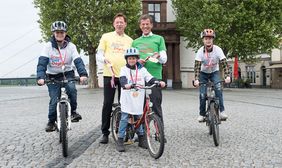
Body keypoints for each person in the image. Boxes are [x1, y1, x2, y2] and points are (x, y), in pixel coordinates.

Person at [37, 21, 88, 132]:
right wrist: (40, 77)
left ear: (65, 33)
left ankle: (73, 112)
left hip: (68, 73)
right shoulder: (48, 46)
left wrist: (83, 74)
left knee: (72, 90)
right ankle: (51, 122)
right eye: (57, 32)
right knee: (54, 100)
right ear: (53, 33)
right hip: (53, 76)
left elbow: (78, 61)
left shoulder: (71, 46)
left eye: (62, 32)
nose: (59, 34)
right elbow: (42, 63)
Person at [116, 48, 166, 152]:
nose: (131, 60)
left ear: (137, 59)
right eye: (129, 59)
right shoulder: (124, 69)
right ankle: (120, 139)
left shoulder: (142, 70)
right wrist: (126, 84)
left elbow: (149, 78)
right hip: (127, 99)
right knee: (125, 118)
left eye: (133, 58)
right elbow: (122, 80)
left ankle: (142, 138)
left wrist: (158, 82)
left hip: (138, 98)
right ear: (126, 60)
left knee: (140, 117)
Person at [96, 13, 133, 144]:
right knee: (107, 103)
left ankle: (122, 130)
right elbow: (99, 54)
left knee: (125, 104)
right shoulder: (106, 36)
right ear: (113, 24)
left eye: (121, 22)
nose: (119, 24)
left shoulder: (130, 40)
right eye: (117, 22)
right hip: (109, 75)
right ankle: (105, 133)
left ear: (125, 24)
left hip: (125, 75)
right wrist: (104, 59)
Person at [131, 14, 167, 127]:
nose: (145, 26)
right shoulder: (135, 42)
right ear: (140, 26)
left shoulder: (159, 39)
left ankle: (159, 133)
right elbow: (131, 61)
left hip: (155, 76)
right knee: (139, 107)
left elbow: (164, 59)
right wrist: (138, 62)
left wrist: (159, 56)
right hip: (139, 77)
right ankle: (141, 134)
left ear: (151, 25)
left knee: (156, 105)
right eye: (143, 24)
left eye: (147, 24)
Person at [194, 29, 231, 122]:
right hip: (203, 73)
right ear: (203, 40)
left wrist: (227, 76)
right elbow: (197, 67)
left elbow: (224, 63)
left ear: (213, 40)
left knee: (218, 88)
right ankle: (202, 114)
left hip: (214, 72)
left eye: (210, 38)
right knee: (202, 94)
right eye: (206, 38)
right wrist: (196, 79)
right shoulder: (199, 52)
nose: (208, 40)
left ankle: (222, 111)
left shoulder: (218, 50)